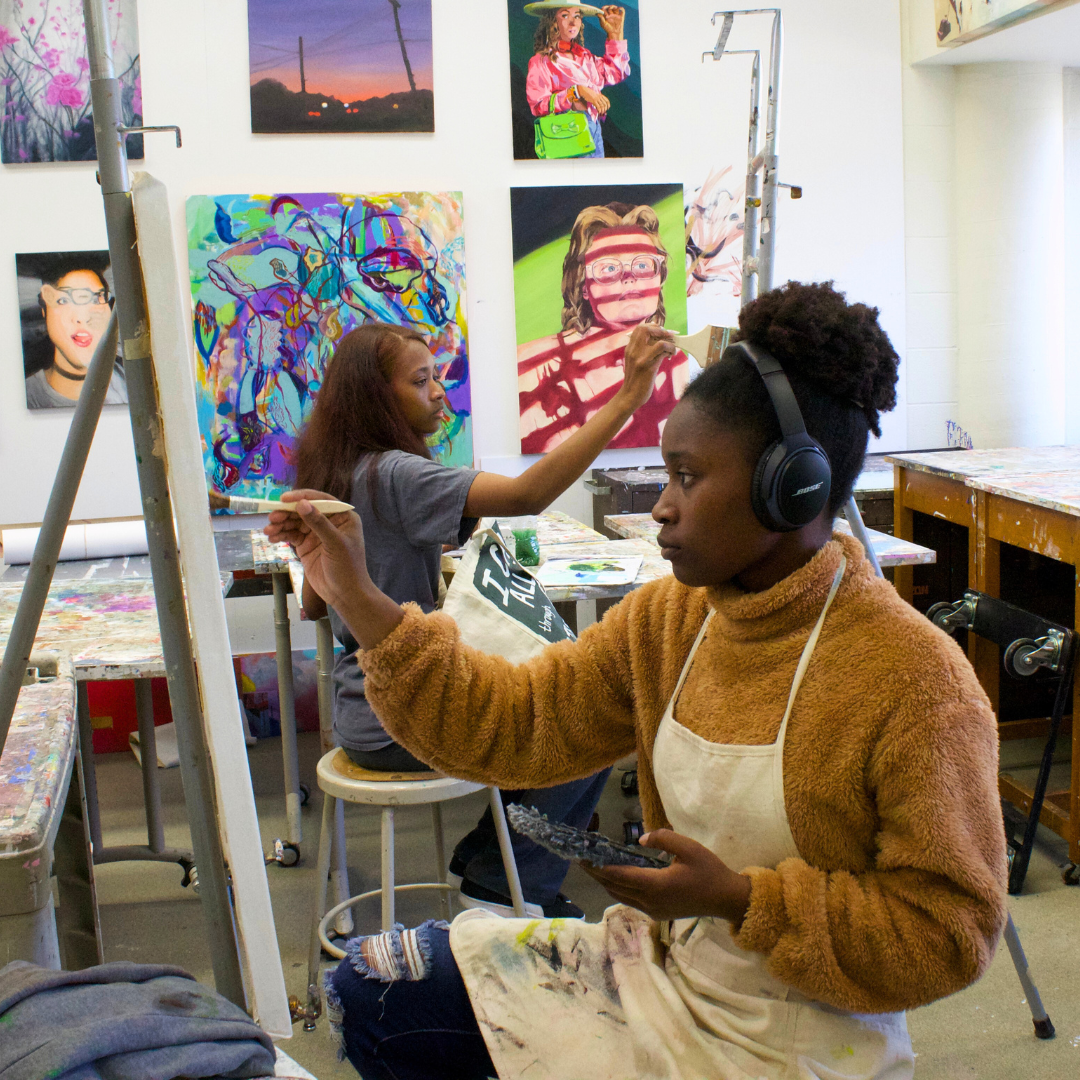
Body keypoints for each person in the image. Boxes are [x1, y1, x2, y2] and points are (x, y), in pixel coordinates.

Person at [269, 281, 1009, 1080]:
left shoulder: (910, 678)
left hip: (801, 1040)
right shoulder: (669, 621)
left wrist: (740, 900)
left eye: (687, 477)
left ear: (788, 486)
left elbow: (950, 934)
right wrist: (358, 599)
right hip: (667, 973)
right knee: (379, 988)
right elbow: (513, 726)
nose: (660, 507)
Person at [293, 319, 676, 919]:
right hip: (397, 716)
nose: (439, 392)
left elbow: (313, 604)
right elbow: (526, 496)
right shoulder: (392, 474)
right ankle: (503, 887)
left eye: (436, 377)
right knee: (587, 723)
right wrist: (627, 396)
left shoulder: (334, 470)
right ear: (376, 398)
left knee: (538, 701)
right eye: (421, 381)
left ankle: (488, 860)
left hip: (357, 712)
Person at [519, 201, 690, 453]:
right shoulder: (539, 369)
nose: (628, 277)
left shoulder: (679, 362)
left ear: (660, 274)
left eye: (643, 265)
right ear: (584, 285)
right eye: (608, 268)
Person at [20, 250, 127, 409]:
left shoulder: (132, 382)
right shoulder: (25, 396)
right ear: (45, 310)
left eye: (97, 299)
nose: (83, 317)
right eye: (64, 300)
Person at [524, 4, 629, 160]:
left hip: (594, 134)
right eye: (565, 16)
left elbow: (615, 73)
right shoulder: (541, 62)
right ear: (551, 21)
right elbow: (538, 105)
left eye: (577, 16)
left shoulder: (585, 57)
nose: (573, 22)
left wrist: (615, 35)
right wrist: (577, 92)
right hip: (565, 136)